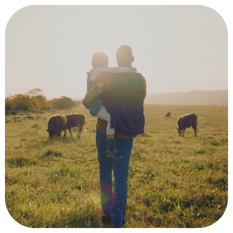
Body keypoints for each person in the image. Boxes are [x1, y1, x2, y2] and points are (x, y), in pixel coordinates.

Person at [82, 45, 146, 228]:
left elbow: (87, 102)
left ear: (116, 61)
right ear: (132, 59)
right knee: (121, 176)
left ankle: (107, 215)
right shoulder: (141, 80)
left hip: (105, 132)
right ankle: (118, 220)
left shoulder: (107, 77)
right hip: (126, 135)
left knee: (105, 172)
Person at [86, 52, 137, 159]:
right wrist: (129, 70)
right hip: (96, 106)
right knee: (111, 119)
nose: (107, 66)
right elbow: (115, 70)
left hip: (98, 104)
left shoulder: (94, 71)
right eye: (106, 63)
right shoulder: (99, 70)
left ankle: (111, 146)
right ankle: (111, 150)